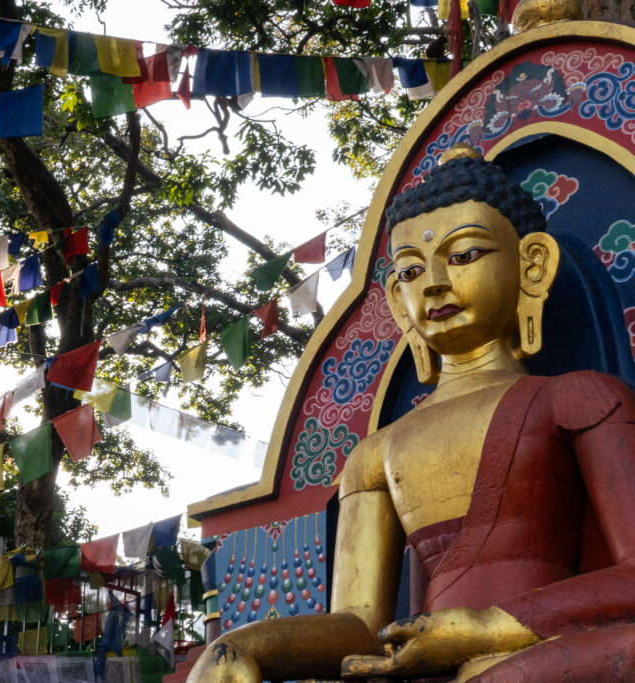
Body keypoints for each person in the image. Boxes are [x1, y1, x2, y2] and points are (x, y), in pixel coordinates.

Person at [188, 147, 635, 682]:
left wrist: (487, 629)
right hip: (421, 665)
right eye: (411, 271)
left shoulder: (580, 398)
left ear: (531, 266)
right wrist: (241, 645)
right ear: (399, 300)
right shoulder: (375, 454)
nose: (435, 283)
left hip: (538, 655)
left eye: (465, 255)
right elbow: (361, 624)